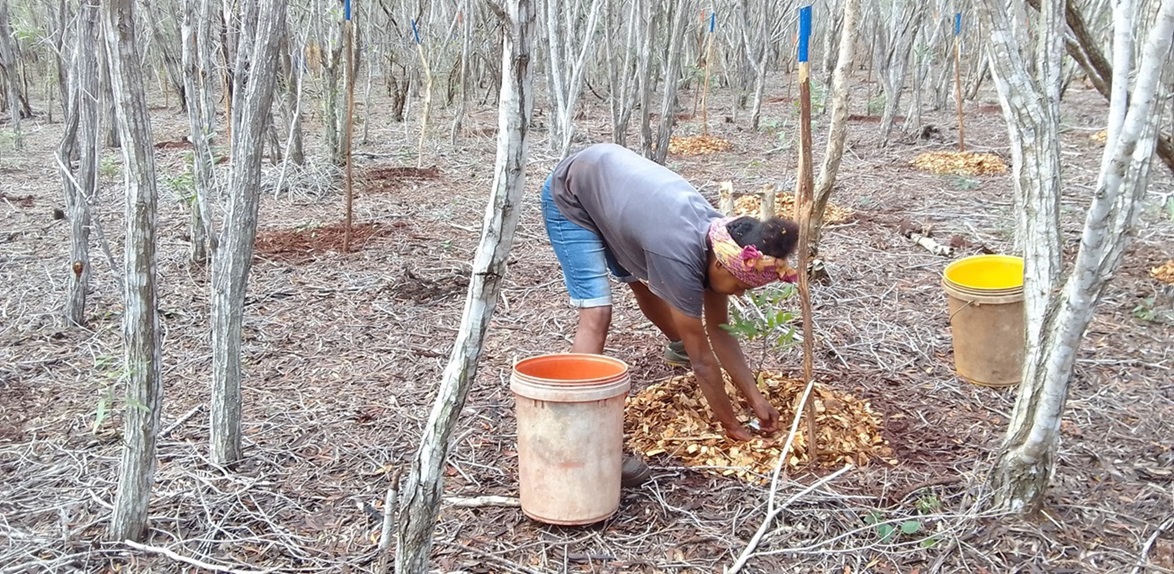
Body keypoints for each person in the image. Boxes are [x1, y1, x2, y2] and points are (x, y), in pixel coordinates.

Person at [540, 143, 801, 486]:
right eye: (740, 285)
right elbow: (703, 361)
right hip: (574, 192)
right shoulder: (679, 254)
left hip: (615, 196)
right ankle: (573, 432)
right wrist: (731, 424)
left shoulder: (720, 237)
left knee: (643, 283)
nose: (739, 293)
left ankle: (679, 341)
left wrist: (755, 398)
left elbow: (720, 330)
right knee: (597, 312)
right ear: (721, 264)